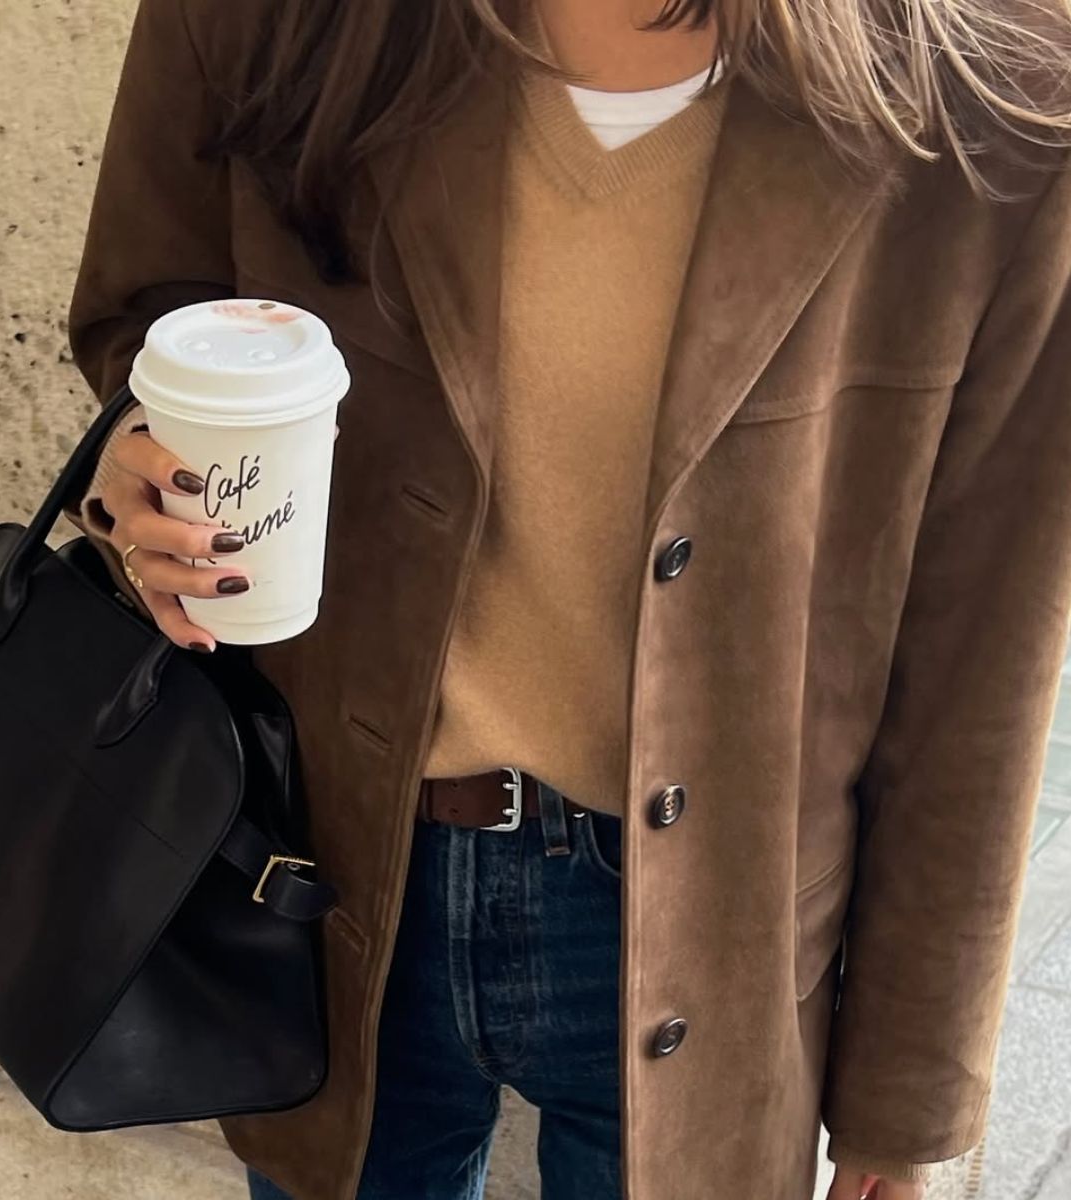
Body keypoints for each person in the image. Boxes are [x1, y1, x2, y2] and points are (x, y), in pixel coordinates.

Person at [62, 0, 1071, 1197]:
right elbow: (149, 315)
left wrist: (905, 1109)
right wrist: (147, 461)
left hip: (719, 930)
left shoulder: (1003, 94)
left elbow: (980, 657)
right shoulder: (265, 20)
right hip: (324, 881)